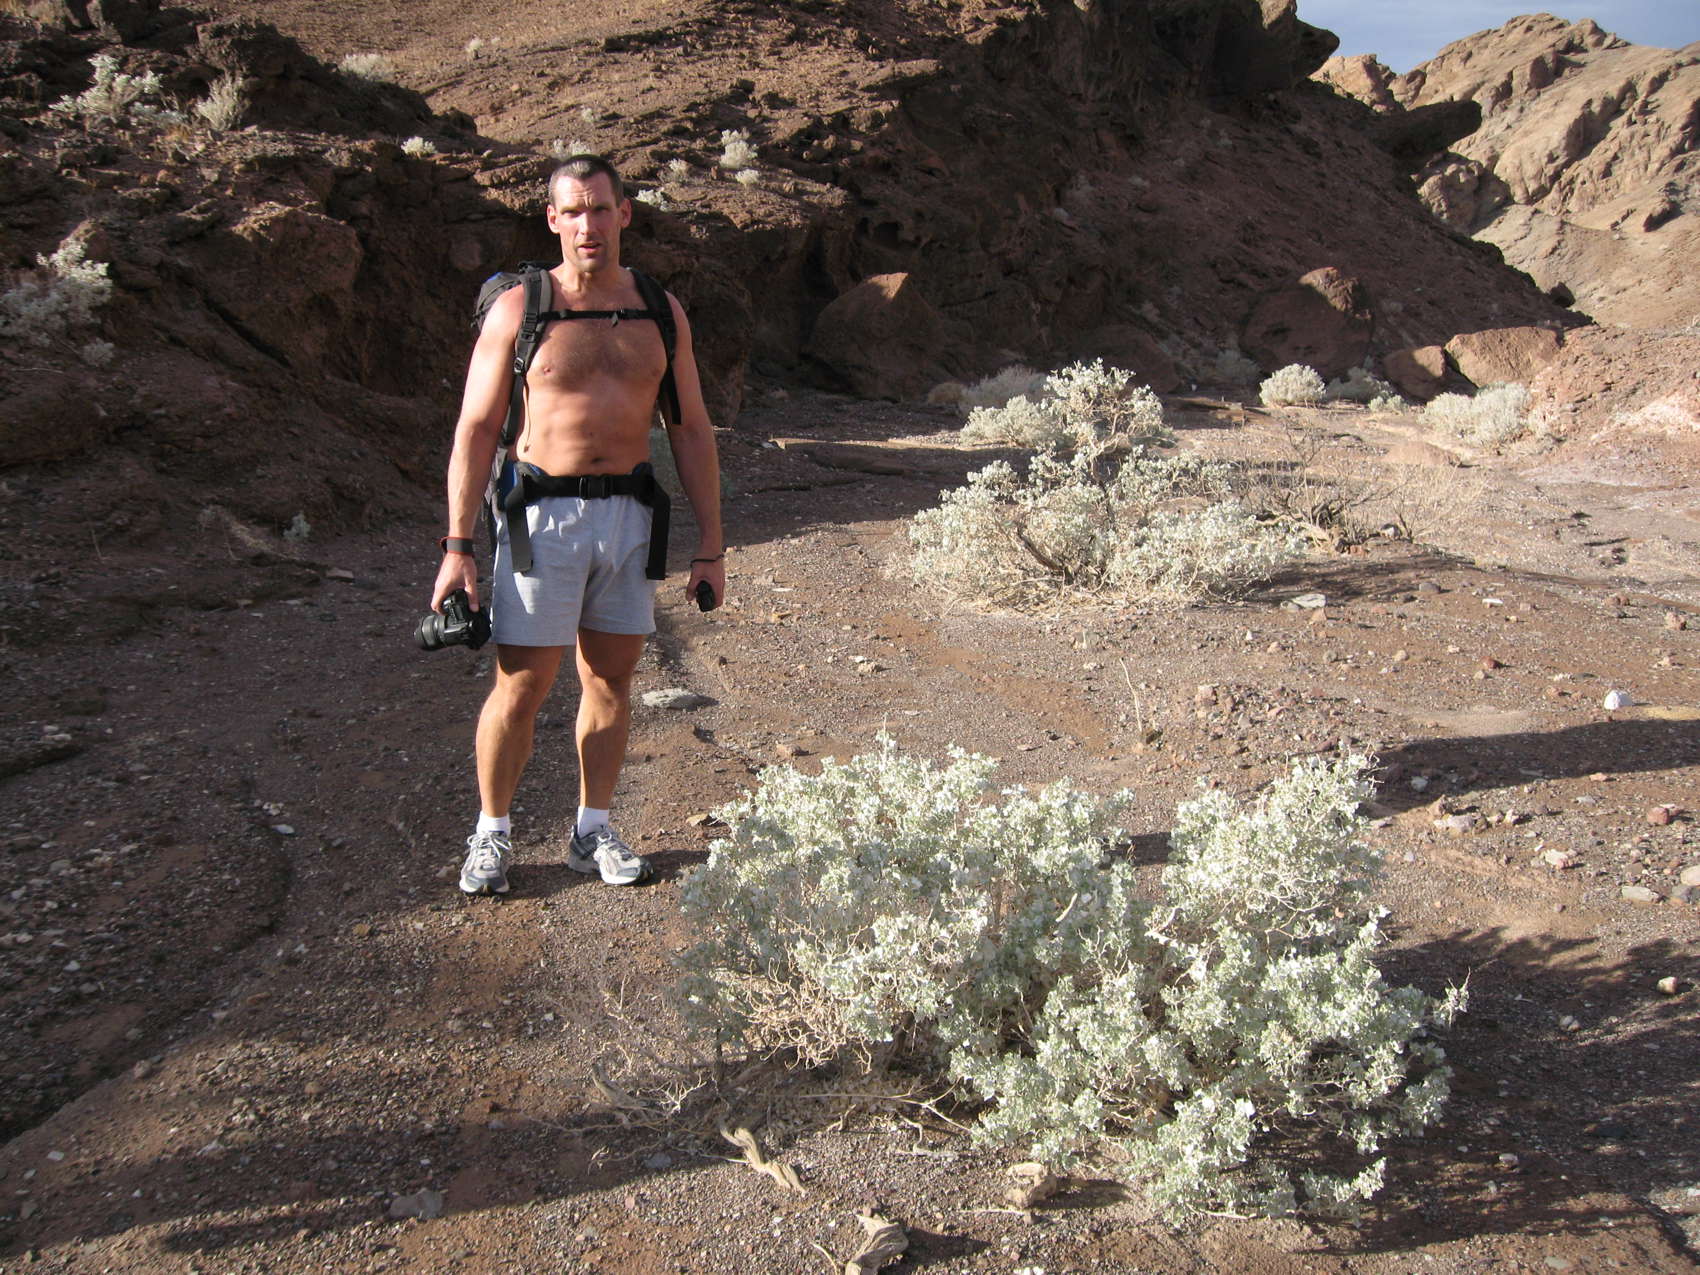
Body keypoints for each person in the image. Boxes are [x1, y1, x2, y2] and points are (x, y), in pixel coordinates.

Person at [430, 153, 725, 896]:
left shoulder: (660, 310)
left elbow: (691, 429)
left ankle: (592, 831)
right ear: (552, 220)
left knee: (612, 680)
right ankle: (492, 832)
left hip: (630, 515)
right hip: (541, 518)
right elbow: (476, 429)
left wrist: (712, 545)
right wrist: (458, 547)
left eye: (600, 208)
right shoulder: (521, 309)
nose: (587, 224)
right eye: (572, 211)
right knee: (523, 682)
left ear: (623, 213)